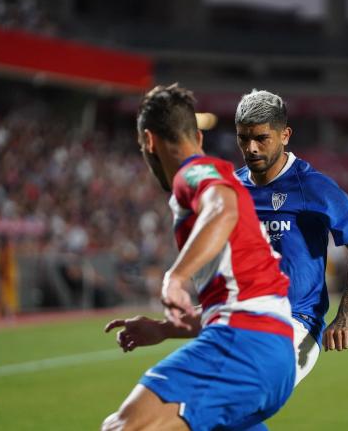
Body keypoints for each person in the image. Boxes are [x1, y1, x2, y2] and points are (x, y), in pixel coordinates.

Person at [103, 84, 295, 431]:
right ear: (198, 137)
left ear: (149, 141)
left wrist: (174, 278)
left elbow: (222, 209)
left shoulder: (193, 173)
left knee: (124, 427)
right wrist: (164, 330)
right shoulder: (219, 178)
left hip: (243, 346)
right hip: (272, 352)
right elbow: (240, 298)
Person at [234, 89, 348, 386]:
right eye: (243, 138)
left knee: (238, 393)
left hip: (296, 325)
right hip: (240, 320)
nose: (251, 148)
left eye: (261, 138)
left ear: (285, 135)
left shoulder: (314, 188)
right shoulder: (231, 189)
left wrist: (347, 314)